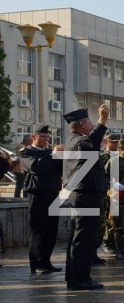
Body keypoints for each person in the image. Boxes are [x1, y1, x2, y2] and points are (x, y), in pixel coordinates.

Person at [62, 106, 110, 290]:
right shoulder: (79, 142)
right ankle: (79, 279)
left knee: (79, 237)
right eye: (89, 122)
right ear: (82, 125)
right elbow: (91, 144)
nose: (91, 125)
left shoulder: (75, 141)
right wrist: (102, 122)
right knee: (83, 238)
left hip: (83, 193)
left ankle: (75, 276)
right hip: (85, 194)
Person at [20, 124, 63, 274]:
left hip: (53, 193)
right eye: (42, 137)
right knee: (38, 230)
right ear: (34, 137)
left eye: (47, 137)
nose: (46, 139)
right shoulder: (26, 153)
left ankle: (47, 261)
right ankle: (37, 263)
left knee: (51, 230)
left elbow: (60, 168)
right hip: (38, 195)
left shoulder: (49, 152)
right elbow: (37, 167)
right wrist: (53, 155)